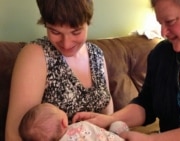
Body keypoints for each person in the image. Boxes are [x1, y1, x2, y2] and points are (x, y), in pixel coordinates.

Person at [71, 0, 180, 141]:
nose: (163, 32)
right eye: (160, 22)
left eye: (170, 21)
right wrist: (109, 119)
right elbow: (146, 103)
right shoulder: (162, 54)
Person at [5, 0, 113, 140]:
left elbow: (108, 115)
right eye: (55, 31)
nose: (66, 44)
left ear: (88, 22)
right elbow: (13, 135)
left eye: (76, 32)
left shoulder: (97, 54)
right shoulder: (35, 55)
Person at [19, 103, 127, 141]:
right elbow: (101, 135)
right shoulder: (81, 126)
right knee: (117, 126)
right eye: (59, 110)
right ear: (64, 123)